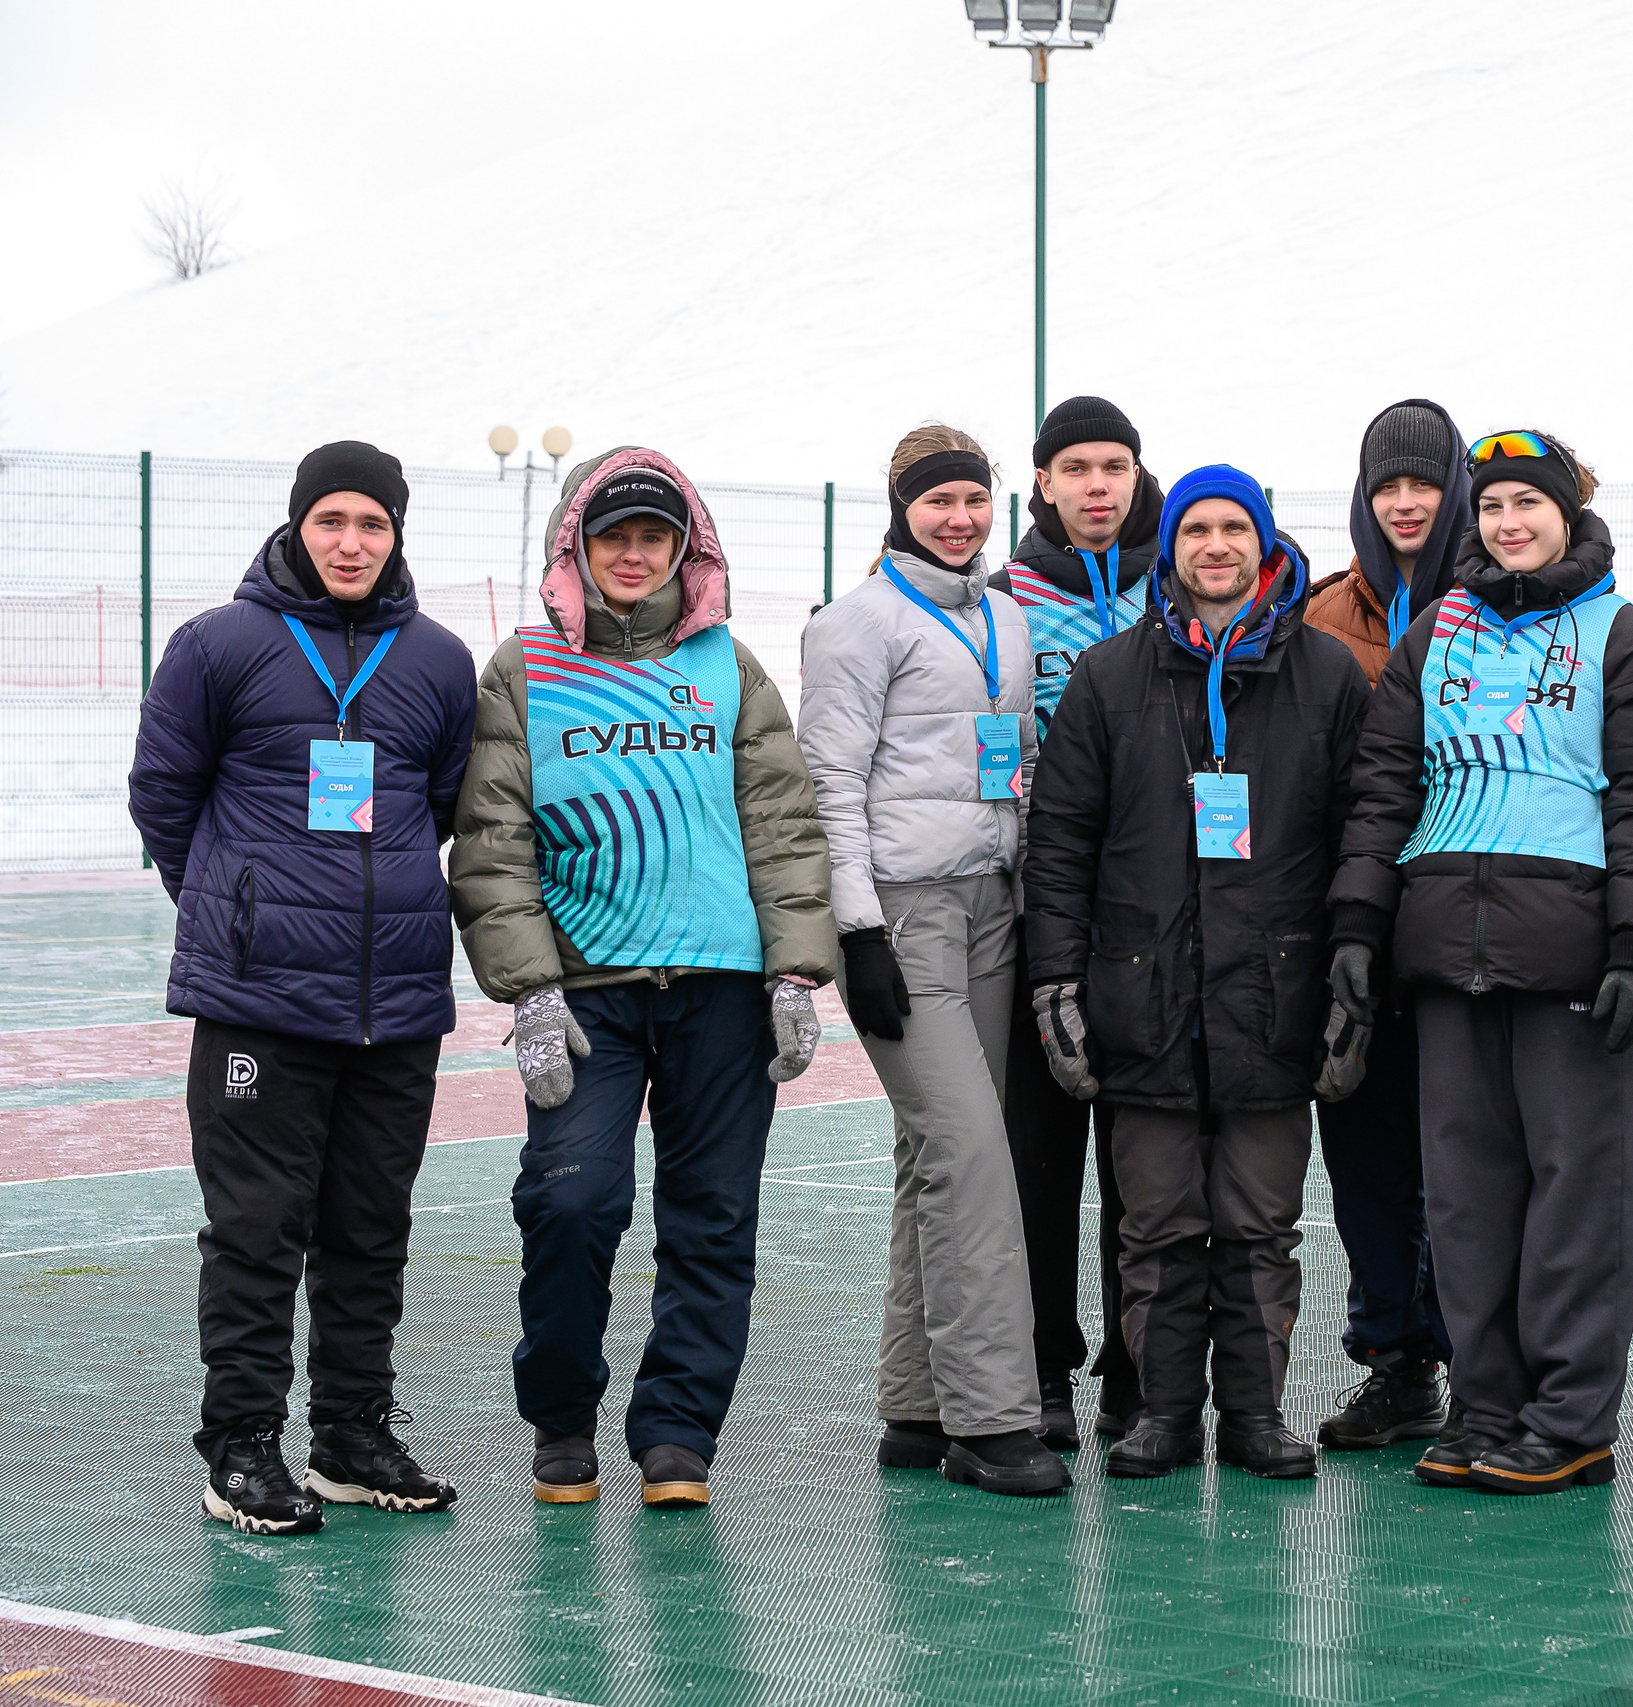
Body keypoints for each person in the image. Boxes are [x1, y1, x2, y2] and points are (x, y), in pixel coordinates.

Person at [450, 448, 836, 1511]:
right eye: (612, 536)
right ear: (575, 546)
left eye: (652, 536)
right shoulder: (524, 668)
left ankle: (677, 1436)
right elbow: (493, 841)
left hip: (722, 987)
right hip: (586, 995)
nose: (632, 554)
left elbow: (782, 825)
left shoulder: (728, 665)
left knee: (712, 1218)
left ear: (684, 547)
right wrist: (530, 991)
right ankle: (561, 1420)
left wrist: (795, 971)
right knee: (570, 1202)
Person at [1331, 431, 1633, 1495]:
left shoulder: (1619, 633)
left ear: (1567, 514)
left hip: (1569, 953)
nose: (1507, 523)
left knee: (1580, 1194)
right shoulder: (1436, 632)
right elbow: (1385, 786)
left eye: (1527, 504)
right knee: (1465, 1198)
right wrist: (1359, 924)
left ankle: (1570, 1419)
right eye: (1491, 507)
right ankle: (1485, 1406)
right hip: (1445, 950)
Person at [129, 441, 477, 1536]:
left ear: (397, 534)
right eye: (332, 520)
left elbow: (445, 802)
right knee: (256, 1230)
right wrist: (237, 907)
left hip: (396, 999)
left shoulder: (439, 659)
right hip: (260, 1002)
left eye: (372, 523)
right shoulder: (218, 644)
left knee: (370, 1227)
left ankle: (350, 1437)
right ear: (297, 524)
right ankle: (240, 1447)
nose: (351, 543)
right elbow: (163, 794)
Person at [1023, 466, 1369, 1481]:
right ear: (1170, 547)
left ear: (1263, 544)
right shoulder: (1107, 677)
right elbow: (1061, 842)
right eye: (1195, 530)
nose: (1214, 546)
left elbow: (1361, 835)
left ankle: (1254, 1415)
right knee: (1159, 1226)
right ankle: (1165, 1413)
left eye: (1233, 529)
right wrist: (1057, 983)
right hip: (1144, 998)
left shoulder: (1326, 675)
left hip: (1275, 999)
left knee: (1260, 1225)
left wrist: (1351, 980)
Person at [798, 425, 1068, 1497]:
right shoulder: (855, 622)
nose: (958, 519)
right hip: (904, 914)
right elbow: (828, 782)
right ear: (901, 508)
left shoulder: (1006, 616)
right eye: (937, 500)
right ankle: (992, 1419)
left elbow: (1020, 763)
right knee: (972, 1152)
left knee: (936, 1157)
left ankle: (917, 1404)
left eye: (973, 499)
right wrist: (858, 930)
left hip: (991, 902)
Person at [993, 395, 1162, 1448]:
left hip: (1152, 917)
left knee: (1143, 1161)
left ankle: (1135, 1371)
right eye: (1076, 469)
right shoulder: (1003, 600)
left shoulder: (1175, 583)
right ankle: (1043, 1367)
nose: (1098, 486)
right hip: (1036, 907)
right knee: (1038, 1158)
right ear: (1044, 484)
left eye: (1115, 466)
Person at [1299, 400, 1468, 1452]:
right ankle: (1395, 1362)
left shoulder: (1495, 603)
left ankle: (1473, 1356)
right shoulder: (1322, 614)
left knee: (1465, 1156)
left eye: (1423, 484)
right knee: (1363, 1154)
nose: (1405, 504)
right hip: (1347, 925)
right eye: (1386, 486)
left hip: (1459, 919)